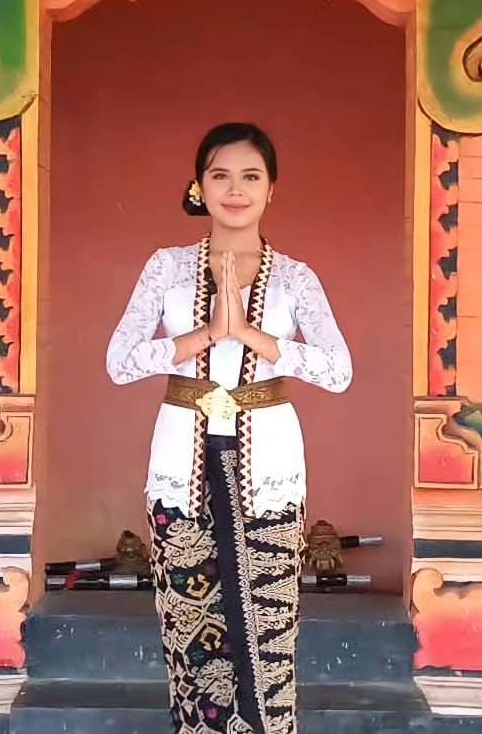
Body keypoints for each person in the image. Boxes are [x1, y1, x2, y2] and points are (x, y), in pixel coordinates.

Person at [106, 122, 352, 734]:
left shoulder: (295, 277)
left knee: (268, 624)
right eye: (220, 175)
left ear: (271, 189)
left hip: (267, 461)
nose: (235, 190)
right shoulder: (166, 268)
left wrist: (249, 336)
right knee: (189, 624)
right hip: (181, 460)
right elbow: (119, 361)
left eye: (250, 176)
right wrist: (206, 335)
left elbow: (338, 370)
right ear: (199, 186)